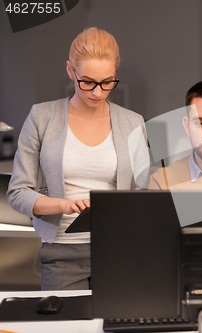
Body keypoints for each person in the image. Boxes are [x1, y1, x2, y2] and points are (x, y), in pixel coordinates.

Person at [7, 27, 147, 290]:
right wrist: (63, 205)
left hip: (119, 251)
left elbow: (143, 194)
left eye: (107, 82)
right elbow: (17, 192)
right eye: (87, 81)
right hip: (62, 253)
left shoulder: (133, 122)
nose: (97, 92)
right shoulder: (41, 117)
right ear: (70, 70)